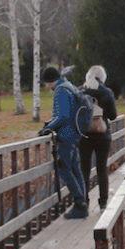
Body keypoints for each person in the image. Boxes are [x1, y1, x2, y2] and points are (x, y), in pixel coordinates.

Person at [39, 65, 90, 218]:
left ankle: (80, 203)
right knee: (75, 168)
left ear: (48, 81)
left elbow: (63, 116)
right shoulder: (69, 86)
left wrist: (48, 128)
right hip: (76, 133)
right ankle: (83, 200)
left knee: (64, 168)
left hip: (66, 135)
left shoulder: (61, 91)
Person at [79, 65, 118, 210]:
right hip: (102, 135)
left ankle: (84, 201)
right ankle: (102, 203)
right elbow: (113, 116)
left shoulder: (79, 91)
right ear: (103, 77)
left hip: (84, 136)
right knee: (102, 169)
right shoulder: (106, 93)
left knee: (84, 169)